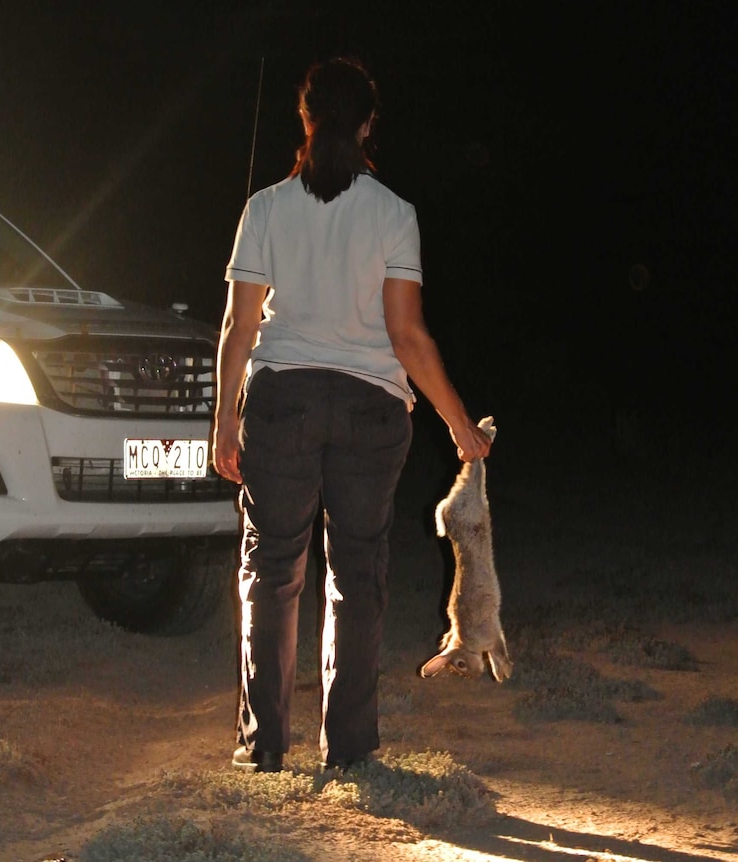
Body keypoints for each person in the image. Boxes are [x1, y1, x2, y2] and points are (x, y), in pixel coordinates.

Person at [213, 57, 491, 774]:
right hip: (372, 409)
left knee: (272, 570)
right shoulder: (394, 214)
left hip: (283, 403)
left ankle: (262, 747)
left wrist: (222, 421)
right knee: (356, 574)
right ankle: (350, 751)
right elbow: (407, 336)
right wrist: (457, 421)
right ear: (368, 125)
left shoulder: (267, 208)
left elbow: (239, 329)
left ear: (304, 121)